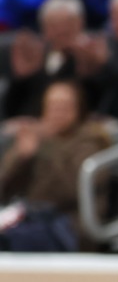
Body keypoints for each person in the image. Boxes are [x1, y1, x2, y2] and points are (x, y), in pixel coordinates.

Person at [0, 79, 109, 247]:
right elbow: (4, 188)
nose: (58, 112)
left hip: (70, 224)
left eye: (64, 105)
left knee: (22, 238)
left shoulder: (92, 142)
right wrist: (22, 157)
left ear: (78, 108)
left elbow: (71, 190)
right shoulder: (35, 137)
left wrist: (48, 145)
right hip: (32, 218)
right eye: (53, 105)